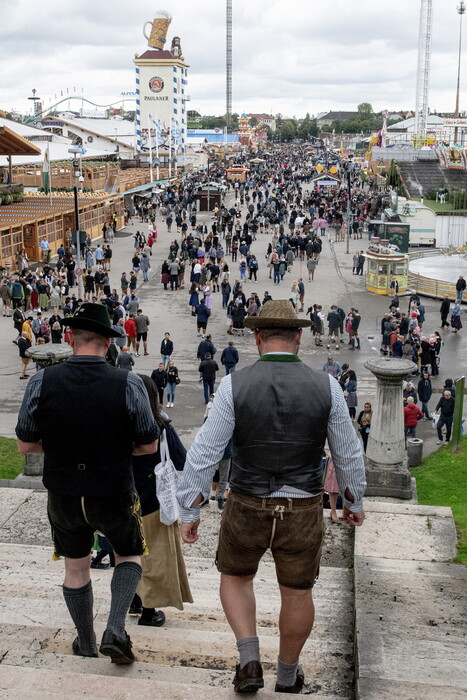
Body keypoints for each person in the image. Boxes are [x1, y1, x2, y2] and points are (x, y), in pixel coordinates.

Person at [177, 300, 366, 694]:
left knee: (236, 577)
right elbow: (347, 453)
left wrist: (189, 507)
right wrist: (353, 501)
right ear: (298, 336)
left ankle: (249, 661)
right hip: (303, 505)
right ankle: (286, 673)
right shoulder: (327, 385)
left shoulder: (233, 384)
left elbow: (205, 452)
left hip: (247, 499)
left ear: (257, 336)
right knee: (298, 591)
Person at [15, 302, 159, 664]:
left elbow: (25, 443)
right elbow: (149, 443)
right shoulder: (127, 382)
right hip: (112, 488)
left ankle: (87, 641)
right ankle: (115, 628)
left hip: (62, 492)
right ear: (107, 343)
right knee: (128, 555)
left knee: (76, 567)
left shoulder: (41, 380)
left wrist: (63, 448)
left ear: (69, 338)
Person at [129, 375, 193, 625]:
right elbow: (181, 460)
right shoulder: (160, 424)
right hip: (154, 500)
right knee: (155, 556)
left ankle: (134, 598)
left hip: (124, 499)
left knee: (128, 554)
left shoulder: (117, 423)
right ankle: (148, 610)